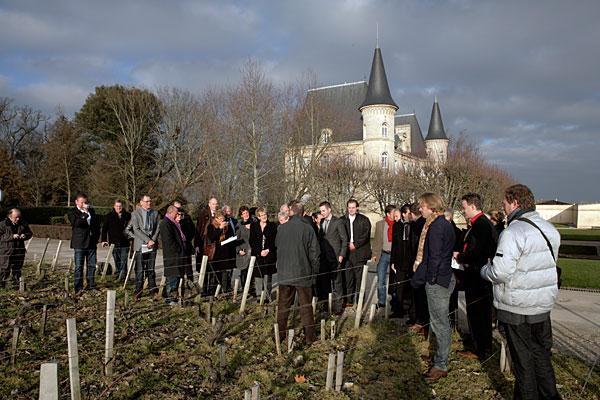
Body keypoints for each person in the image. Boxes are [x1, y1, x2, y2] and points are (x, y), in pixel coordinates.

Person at [481, 184, 561, 399]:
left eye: (505, 203)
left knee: (523, 362)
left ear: (515, 202)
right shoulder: (549, 229)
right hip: (542, 304)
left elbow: (500, 272)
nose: (503, 207)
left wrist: (484, 269)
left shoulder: (513, 232)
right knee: (541, 356)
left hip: (517, 307)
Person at [412, 193, 456, 382]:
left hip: (438, 281)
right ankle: (438, 356)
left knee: (440, 323)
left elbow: (435, 258)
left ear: (430, 206)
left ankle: (441, 364)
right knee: (437, 321)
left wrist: (429, 279)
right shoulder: (440, 223)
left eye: (421, 206)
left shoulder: (437, 226)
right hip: (440, 278)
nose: (419, 209)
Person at [454, 193, 497, 359]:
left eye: (464, 208)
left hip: (478, 276)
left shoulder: (481, 225)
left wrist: (460, 257)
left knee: (478, 313)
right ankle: (478, 344)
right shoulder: (479, 223)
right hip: (476, 274)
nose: (463, 211)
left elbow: (476, 251)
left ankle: (481, 348)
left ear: (473, 207)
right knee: (477, 312)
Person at [275, 201, 320, 345]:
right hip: (303, 273)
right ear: (303, 213)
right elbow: (315, 254)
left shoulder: (281, 228)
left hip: (284, 273)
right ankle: (309, 337)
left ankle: (279, 335)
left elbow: (277, 247)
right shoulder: (308, 229)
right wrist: (314, 273)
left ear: (291, 212)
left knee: (283, 306)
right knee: (306, 306)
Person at [68, 193, 101, 293]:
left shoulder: (92, 211)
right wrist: (85, 213)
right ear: (76, 202)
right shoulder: (72, 212)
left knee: (91, 265)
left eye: (85, 202)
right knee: (79, 266)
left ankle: (91, 285)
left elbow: (96, 225)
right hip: (80, 243)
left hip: (91, 243)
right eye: (82, 202)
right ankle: (78, 287)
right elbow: (76, 223)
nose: (84, 204)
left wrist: (96, 238)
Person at [319, 201, 348, 313]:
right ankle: (326, 306)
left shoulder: (338, 222)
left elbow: (344, 239)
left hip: (335, 257)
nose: (322, 213)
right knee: (325, 282)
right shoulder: (322, 222)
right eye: (321, 211)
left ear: (329, 209)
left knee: (337, 283)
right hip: (324, 258)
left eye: (323, 211)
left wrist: (341, 255)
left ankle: (338, 307)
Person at [129, 195, 160, 299]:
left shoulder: (155, 214)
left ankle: (152, 289)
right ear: (141, 202)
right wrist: (148, 240)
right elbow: (136, 229)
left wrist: (153, 240)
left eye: (150, 201)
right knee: (140, 270)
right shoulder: (135, 214)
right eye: (146, 201)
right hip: (140, 245)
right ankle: (138, 291)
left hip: (152, 245)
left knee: (151, 269)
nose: (149, 203)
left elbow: (157, 228)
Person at [342, 199, 372, 306]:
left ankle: (360, 301)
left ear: (357, 208)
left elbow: (366, 234)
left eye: (353, 207)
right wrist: (347, 245)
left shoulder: (364, 220)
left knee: (359, 279)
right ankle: (349, 300)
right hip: (347, 253)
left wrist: (355, 244)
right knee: (348, 277)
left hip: (359, 253)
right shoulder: (343, 220)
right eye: (349, 207)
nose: (351, 209)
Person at [408, 203, 429, 335]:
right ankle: (422, 322)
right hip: (419, 263)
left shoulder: (419, 225)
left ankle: (422, 322)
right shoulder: (421, 224)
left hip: (419, 264)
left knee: (420, 295)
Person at [159, 205, 186, 305]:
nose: (177, 215)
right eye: (176, 213)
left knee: (176, 277)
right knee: (172, 278)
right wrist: (178, 249)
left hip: (176, 256)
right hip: (172, 256)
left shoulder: (172, 222)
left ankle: (174, 298)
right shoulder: (165, 223)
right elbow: (169, 241)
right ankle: (170, 299)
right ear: (171, 212)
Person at [389, 204, 413, 318]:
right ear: (404, 214)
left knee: (411, 286)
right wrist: (392, 261)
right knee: (399, 286)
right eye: (408, 213)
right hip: (399, 260)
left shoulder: (414, 226)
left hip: (411, 261)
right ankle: (398, 310)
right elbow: (394, 245)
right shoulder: (397, 226)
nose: (410, 215)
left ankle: (410, 311)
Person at [249, 207, 277, 300]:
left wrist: (268, 250)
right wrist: (259, 251)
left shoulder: (273, 225)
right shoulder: (254, 226)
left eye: (265, 214)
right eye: (262, 215)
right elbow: (252, 241)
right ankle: (258, 296)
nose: (264, 216)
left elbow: (275, 241)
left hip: (269, 254)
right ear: (258, 217)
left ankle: (267, 297)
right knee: (258, 276)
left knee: (267, 276)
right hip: (258, 255)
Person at [0, 208, 33, 288]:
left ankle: (17, 285)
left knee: (17, 269)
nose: (18, 219)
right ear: (10, 216)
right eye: (16, 217)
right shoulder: (2, 225)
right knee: (4, 269)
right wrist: (11, 236)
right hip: (6, 251)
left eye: (19, 217)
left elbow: (30, 233)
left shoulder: (23, 223)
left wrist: (25, 235)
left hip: (19, 250)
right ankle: (1, 285)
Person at [205, 210, 236, 294]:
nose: (222, 220)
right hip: (215, 253)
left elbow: (230, 236)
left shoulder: (227, 226)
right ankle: (213, 291)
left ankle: (224, 290)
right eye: (220, 218)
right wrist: (219, 229)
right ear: (216, 218)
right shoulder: (211, 226)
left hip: (225, 252)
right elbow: (212, 238)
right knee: (215, 274)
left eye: (223, 218)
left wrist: (230, 239)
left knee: (225, 273)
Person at [101, 199, 131, 280]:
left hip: (125, 242)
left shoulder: (128, 216)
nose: (118, 208)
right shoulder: (109, 216)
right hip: (113, 242)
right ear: (114, 206)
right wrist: (103, 240)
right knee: (116, 259)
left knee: (124, 260)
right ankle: (118, 274)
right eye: (117, 206)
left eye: (120, 206)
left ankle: (124, 276)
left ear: (122, 206)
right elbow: (104, 229)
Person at [372, 204, 396, 308]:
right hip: (383, 254)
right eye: (393, 213)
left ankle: (395, 301)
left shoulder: (398, 224)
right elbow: (376, 241)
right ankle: (381, 301)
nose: (395, 214)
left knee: (394, 279)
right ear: (388, 214)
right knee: (381, 278)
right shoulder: (380, 224)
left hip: (394, 256)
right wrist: (374, 254)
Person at [173, 201, 195, 283]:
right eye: (176, 208)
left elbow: (193, 230)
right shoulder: (171, 218)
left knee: (188, 267)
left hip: (186, 245)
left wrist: (187, 239)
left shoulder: (187, 217)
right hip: (177, 247)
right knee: (178, 268)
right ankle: (179, 285)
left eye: (179, 208)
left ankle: (190, 284)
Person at [195, 196, 218, 271]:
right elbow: (198, 230)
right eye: (213, 204)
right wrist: (197, 244)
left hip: (215, 243)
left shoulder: (218, 214)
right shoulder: (203, 215)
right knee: (204, 265)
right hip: (205, 243)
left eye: (216, 204)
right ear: (209, 204)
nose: (215, 206)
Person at [235, 206, 253, 290]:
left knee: (252, 271)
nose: (246, 215)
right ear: (241, 215)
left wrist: (251, 228)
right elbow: (236, 239)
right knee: (244, 271)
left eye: (247, 212)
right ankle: (245, 289)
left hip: (252, 251)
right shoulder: (239, 225)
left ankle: (252, 289)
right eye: (244, 213)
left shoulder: (253, 223)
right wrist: (238, 251)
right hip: (243, 251)